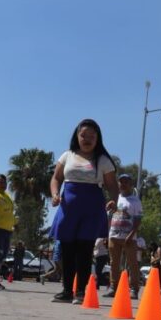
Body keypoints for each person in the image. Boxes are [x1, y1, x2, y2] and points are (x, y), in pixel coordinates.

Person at [49, 119, 118, 304]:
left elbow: (112, 186)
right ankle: (66, 291)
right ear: (77, 136)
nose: (87, 139)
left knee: (85, 251)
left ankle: (80, 292)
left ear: (98, 139)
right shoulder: (67, 156)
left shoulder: (103, 160)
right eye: (83, 135)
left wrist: (114, 200)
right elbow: (56, 178)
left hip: (91, 208)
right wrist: (55, 194)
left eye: (92, 136)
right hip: (68, 208)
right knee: (67, 250)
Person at [106, 173, 142, 299]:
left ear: (130, 184)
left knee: (133, 264)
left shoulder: (135, 200)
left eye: (126, 181)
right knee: (114, 263)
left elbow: (138, 220)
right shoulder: (115, 199)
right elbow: (110, 216)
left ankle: (134, 289)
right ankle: (113, 287)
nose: (123, 184)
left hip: (129, 238)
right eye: (121, 182)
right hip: (114, 235)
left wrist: (131, 234)